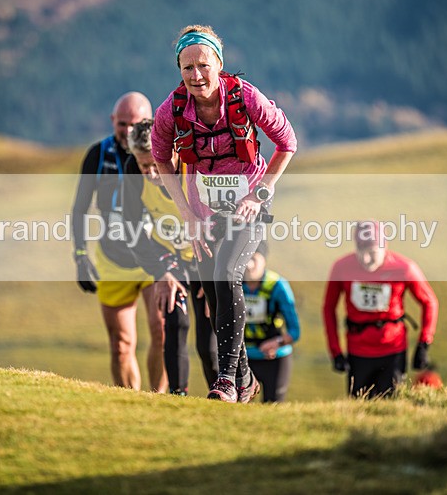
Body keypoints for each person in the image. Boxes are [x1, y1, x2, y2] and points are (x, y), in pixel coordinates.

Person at [151, 25, 297, 403]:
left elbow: (287, 143)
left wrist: (262, 191)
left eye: (203, 65)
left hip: (249, 205)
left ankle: (227, 381)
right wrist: (186, 213)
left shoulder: (246, 97)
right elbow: (160, 158)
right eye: (187, 68)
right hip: (204, 213)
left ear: (219, 62)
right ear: (179, 69)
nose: (196, 75)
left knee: (226, 272)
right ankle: (245, 379)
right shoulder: (171, 110)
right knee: (216, 295)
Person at [71, 92, 167, 392]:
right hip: (113, 259)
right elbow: (79, 209)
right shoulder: (98, 155)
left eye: (134, 124)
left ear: (149, 123)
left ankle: (161, 402)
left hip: (155, 258)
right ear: (112, 121)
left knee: (162, 332)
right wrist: (80, 256)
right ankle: (131, 403)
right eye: (121, 123)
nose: (126, 130)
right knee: (121, 344)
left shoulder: (161, 155)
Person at [122, 118, 218, 395]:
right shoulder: (131, 173)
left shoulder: (193, 166)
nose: (152, 173)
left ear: (172, 150)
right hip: (168, 256)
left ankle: (223, 395)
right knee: (175, 323)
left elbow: (222, 220)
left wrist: (218, 279)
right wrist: (160, 272)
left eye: (156, 163)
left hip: (205, 255)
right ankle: (178, 395)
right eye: (144, 166)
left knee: (208, 338)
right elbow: (132, 229)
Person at [322, 220, 439, 398]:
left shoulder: (404, 268)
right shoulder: (341, 267)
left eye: (372, 252)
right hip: (358, 351)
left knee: (391, 405)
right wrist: (335, 351)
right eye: (360, 252)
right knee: (358, 406)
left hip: (393, 349)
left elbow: (429, 301)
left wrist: (424, 343)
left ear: (384, 247)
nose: (366, 259)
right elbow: (328, 308)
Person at [242, 240, 300, 403]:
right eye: (245, 258)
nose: (249, 265)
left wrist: (277, 342)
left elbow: (295, 331)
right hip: (243, 358)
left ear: (264, 260)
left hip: (275, 358)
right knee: (240, 409)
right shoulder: (233, 284)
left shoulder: (278, 286)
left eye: (254, 259)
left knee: (273, 407)